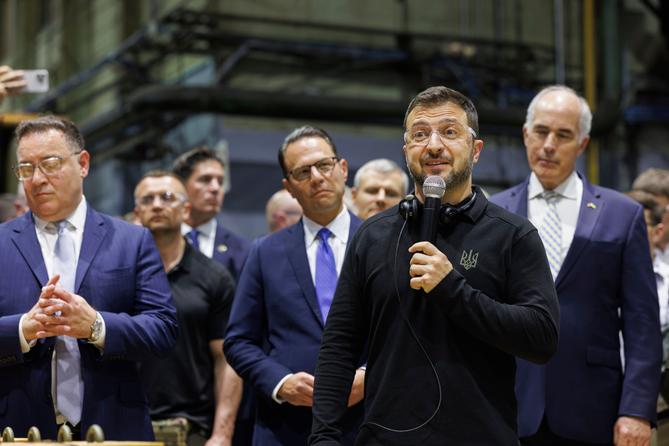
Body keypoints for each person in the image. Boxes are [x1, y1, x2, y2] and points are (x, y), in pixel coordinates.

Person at [309, 86, 559, 445]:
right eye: (420, 134)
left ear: (475, 151)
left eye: (449, 131)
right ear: (406, 149)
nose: (434, 145)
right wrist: (323, 437)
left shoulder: (513, 235)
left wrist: (452, 289)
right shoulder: (372, 236)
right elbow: (339, 346)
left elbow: (542, 337)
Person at [491, 85, 661, 445]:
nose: (549, 145)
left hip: (593, 410)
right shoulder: (494, 213)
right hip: (509, 407)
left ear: (582, 144)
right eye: (541, 132)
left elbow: (642, 325)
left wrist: (636, 409)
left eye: (563, 135)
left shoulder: (622, 215)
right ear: (525, 135)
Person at [0, 115, 178, 440]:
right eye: (26, 168)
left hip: (114, 425)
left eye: (50, 164)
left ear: (82, 163)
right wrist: (22, 330)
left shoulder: (131, 241)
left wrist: (97, 326)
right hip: (18, 428)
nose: (37, 179)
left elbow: (163, 331)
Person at [224, 126, 365, 446]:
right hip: (285, 428)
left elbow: (405, 331)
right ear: (289, 187)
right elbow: (238, 341)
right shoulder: (265, 252)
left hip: (368, 422)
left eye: (324, 165)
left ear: (342, 170)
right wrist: (280, 382)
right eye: (303, 172)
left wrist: (370, 376)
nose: (316, 177)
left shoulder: (381, 241)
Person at [134, 171, 242, 446]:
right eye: (148, 199)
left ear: (185, 209)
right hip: (124, 423)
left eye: (167, 197)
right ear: (137, 211)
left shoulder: (214, 277)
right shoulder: (119, 274)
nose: (157, 204)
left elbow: (226, 360)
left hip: (192, 428)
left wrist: (223, 433)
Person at [172, 147, 250, 281]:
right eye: (205, 180)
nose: (216, 188)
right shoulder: (157, 241)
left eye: (220, 181)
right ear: (180, 186)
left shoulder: (242, 250)